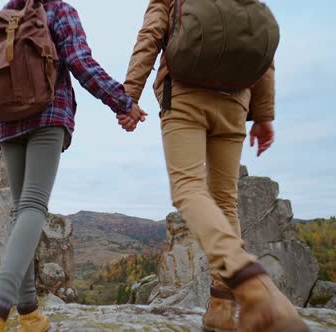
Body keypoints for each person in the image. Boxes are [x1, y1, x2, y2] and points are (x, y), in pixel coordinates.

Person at [118, 0, 309, 331]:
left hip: (183, 94)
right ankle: (221, 306)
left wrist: (129, 96)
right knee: (224, 199)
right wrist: (263, 115)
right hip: (236, 101)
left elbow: (150, 36)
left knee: (188, 188)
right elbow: (262, 48)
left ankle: (253, 287)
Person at [0, 0, 146, 331]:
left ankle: (30, 313)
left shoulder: (5, 15)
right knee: (34, 205)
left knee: (20, 211)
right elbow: (80, 62)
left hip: (5, 119)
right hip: (48, 113)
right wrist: (123, 102)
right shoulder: (58, 10)